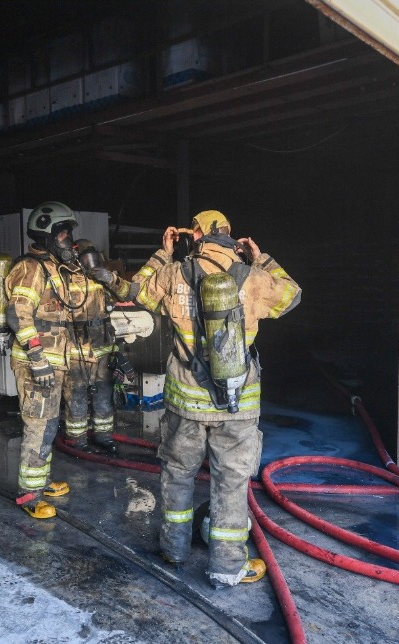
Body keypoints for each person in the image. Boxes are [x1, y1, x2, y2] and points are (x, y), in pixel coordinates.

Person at [95, 209, 301, 587]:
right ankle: (226, 568)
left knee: (177, 474)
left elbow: (132, 291)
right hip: (236, 404)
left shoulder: (174, 274)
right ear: (228, 235)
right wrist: (262, 257)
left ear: (195, 235)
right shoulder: (253, 279)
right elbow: (291, 296)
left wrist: (163, 253)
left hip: (184, 403)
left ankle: (173, 550)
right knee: (231, 483)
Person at [4, 201, 86, 519]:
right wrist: (37, 358)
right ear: (47, 234)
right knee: (38, 426)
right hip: (35, 364)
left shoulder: (54, 268)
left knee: (49, 424)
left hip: (53, 364)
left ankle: (42, 481)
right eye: (63, 233)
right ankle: (29, 494)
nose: (68, 240)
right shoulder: (29, 268)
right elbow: (18, 314)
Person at [60, 239, 133, 455]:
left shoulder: (102, 278)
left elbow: (125, 294)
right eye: (85, 257)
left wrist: (111, 279)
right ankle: (77, 439)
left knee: (104, 394)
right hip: (77, 349)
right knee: (77, 395)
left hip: (103, 348)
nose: (90, 263)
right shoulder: (64, 279)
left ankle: (103, 436)